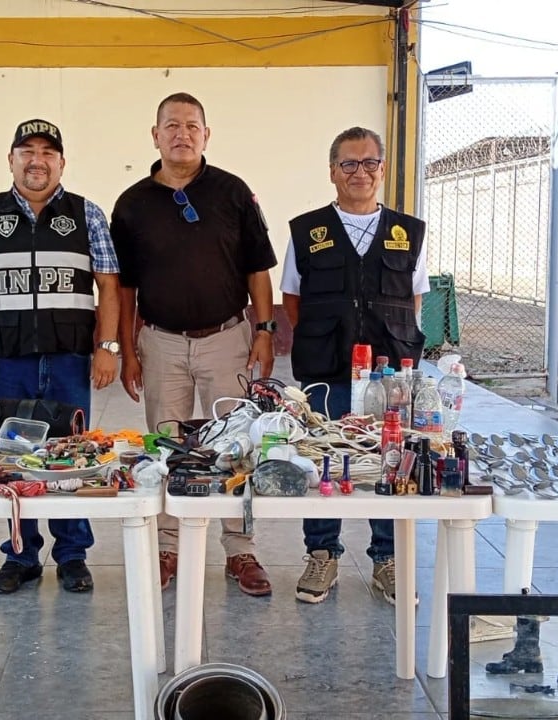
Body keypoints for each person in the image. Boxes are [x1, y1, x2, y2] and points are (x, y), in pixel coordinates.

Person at [112, 92, 278, 597]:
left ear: (206, 135)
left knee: (236, 447)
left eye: (192, 125)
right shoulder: (132, 203)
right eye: (172, 125)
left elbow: (258, 269)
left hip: (227, 339)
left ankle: (240, 549)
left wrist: (265, 333)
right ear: (155, 135)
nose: (182, 133)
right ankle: (169, 547)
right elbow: (124, 287)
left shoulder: (233, 193)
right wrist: (127, 349)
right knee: (166, 448)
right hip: (159, 343)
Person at [0, 119, 121, 595]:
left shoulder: (87, 215)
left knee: (72, 453)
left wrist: (108, 348)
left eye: (48, 152)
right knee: (11, 456)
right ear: (11, 160)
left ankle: (72, 555)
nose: (36, 159)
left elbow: (109, 285)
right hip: (10, 360)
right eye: (26, 150)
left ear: (61, 163)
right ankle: (20, 556)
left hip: (69, 357)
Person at [281, 126, 430, 605]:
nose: (360, 172)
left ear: (382, 170)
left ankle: (386, 559)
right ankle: (322, 555)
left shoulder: (409, 231)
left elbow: (415, 297)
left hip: (390, 372)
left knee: (388, 462)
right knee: (325, 459)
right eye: (349, 163)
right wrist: (328, 336)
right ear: (332, 172)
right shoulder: (307, 230)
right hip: (326, 368)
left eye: (370, 163)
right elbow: (292, 298)